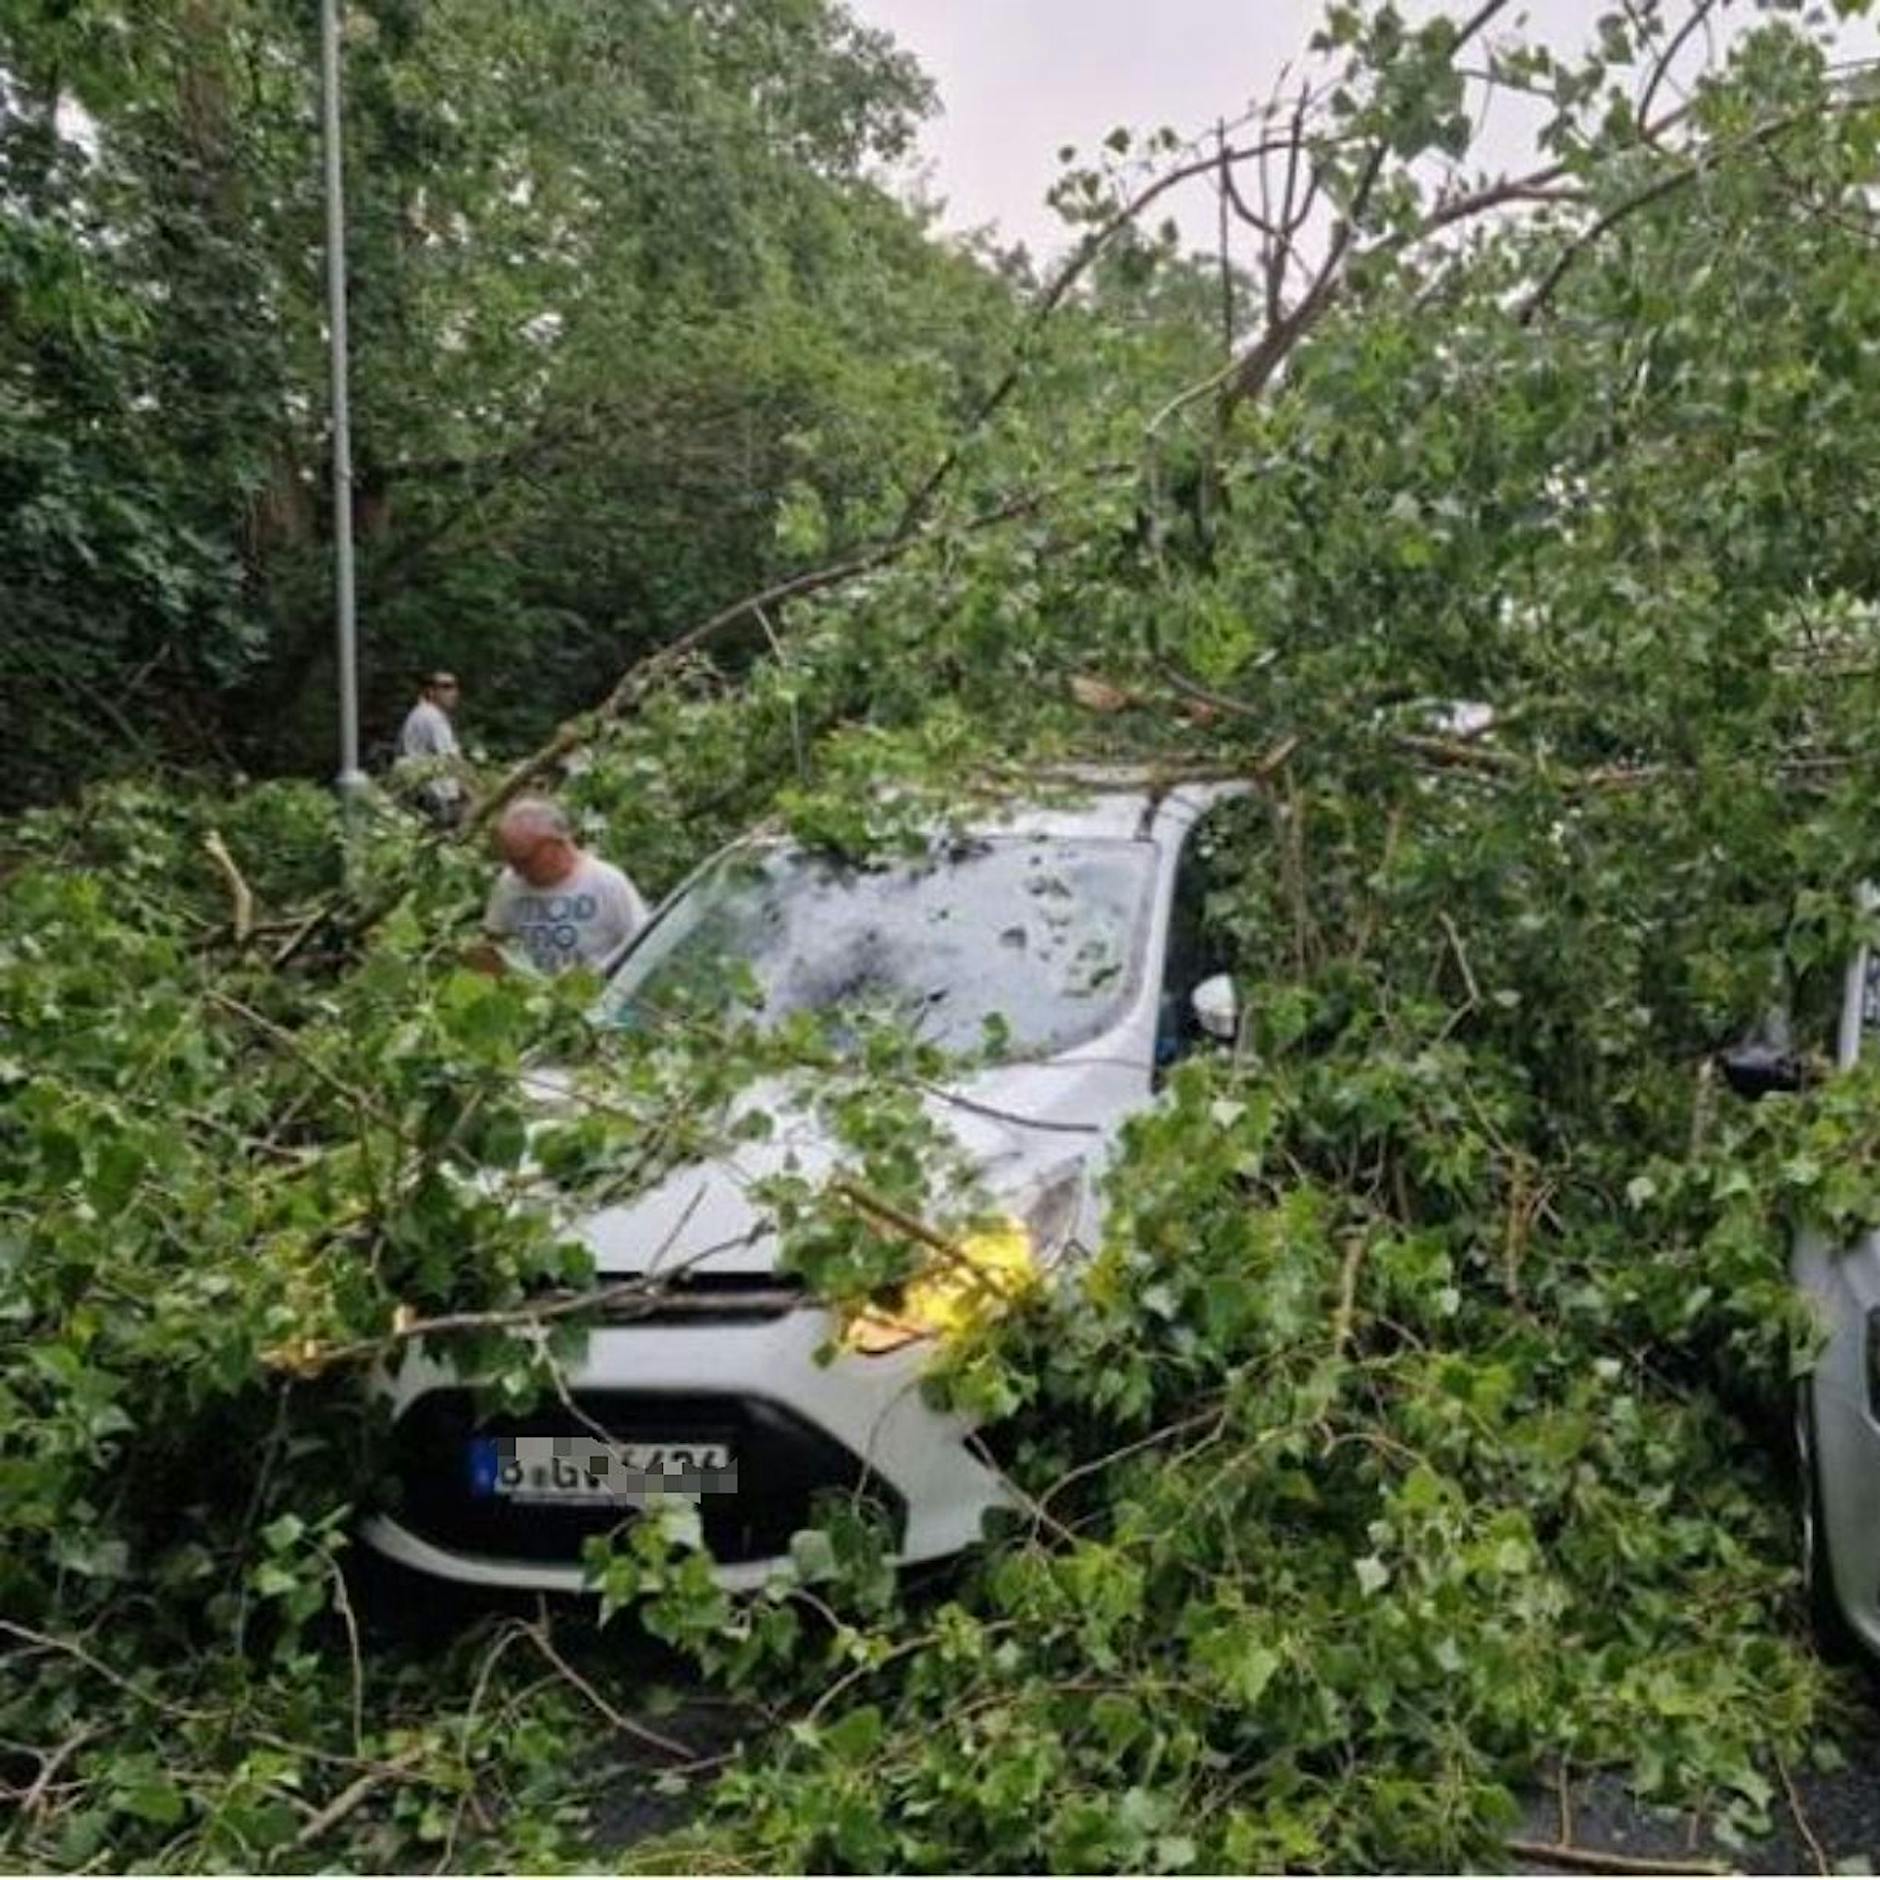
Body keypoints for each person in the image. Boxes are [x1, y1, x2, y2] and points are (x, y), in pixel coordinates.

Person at [484, 798, 649, 975]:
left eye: (524, 860)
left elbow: (643, 943)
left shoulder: (606, 881)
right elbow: (495, 941)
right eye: (511, 862)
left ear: (554, 844)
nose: (518, 871)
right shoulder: (509, 884)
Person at [394, 671, 467, 825]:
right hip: (435, 796)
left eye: (455, 687)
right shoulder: (433, 717)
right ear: (431, 691)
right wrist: (474, 791)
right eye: (446, 687)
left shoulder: (419, 713)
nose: (453, 692)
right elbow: (453, 759)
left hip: (418, 791)